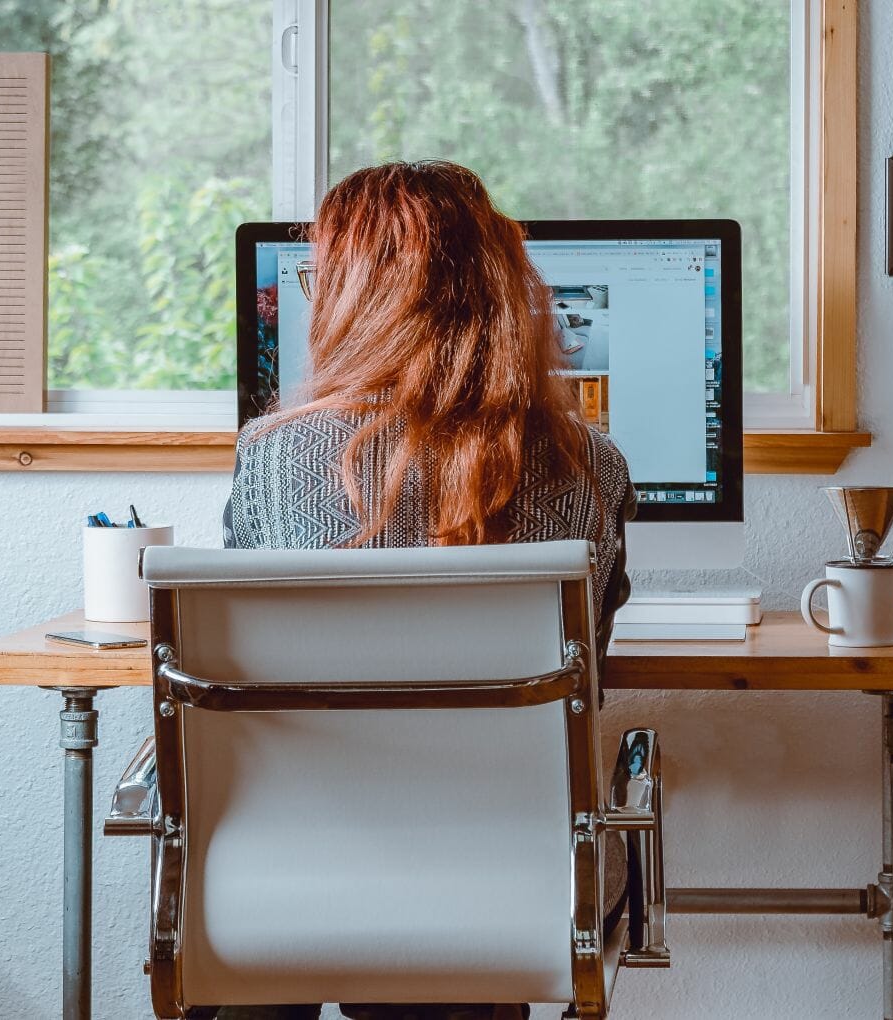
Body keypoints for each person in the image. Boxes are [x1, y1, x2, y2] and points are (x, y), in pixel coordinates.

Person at [221, 160, 636, 1020]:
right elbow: (584, 659)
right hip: (505, 882)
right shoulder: (592, 467)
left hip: (300, 871)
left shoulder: (270, 455)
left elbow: (243, 684)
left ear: (351, 298)